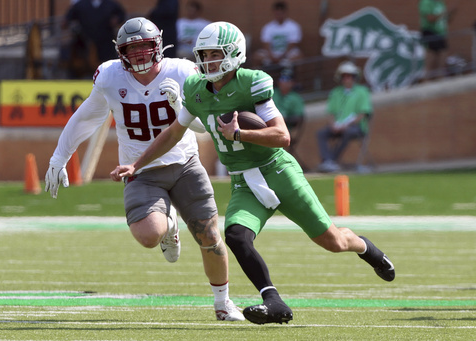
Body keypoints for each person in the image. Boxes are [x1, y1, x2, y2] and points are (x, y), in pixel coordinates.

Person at [111, 21, 395, 325]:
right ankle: (273, 301)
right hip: (243, 180)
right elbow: (173, 132)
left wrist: (239, 135)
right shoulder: (195, 88)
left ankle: (368, 250)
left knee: (334, 241)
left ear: (233, 54)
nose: (207, 62)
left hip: (278, 172)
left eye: (214, 55)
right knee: (235, 235)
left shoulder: (253, 82)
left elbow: (282, 136)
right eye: (203, 55)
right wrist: (136, 164)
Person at [45, 17, 244, 322]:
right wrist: (59, 157)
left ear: (157, 46)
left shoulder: (183, 72)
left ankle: (223, 303)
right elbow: (87, 117)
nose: (138, 55)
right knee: (149, 235)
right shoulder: (110, 76)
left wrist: (182, 108)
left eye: (143, 47)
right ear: (120, 51)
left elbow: (207, 130)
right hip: (140, 170)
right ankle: (168, 224)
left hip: (185, 164)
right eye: (131, 49)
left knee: (209, 235)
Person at [316, 61, 372, 173]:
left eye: (349, 76)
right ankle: (328, 161)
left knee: (347, 132)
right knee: (321, 133)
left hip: (355, 127)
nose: (347, 79)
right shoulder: (335, 92)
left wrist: (346, 125)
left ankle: (331, 160)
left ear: (354, 77)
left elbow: (363, 113)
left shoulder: (362, 91)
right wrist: (333, 125)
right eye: (344, 76)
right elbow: (330, 113)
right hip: (337, 126)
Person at [61, 0, 126, 79]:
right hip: (84, 41)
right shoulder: (81, 4)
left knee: (107, 64)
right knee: (80, 63)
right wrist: (66, 22)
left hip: (106, 40)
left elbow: (121, 15)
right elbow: (69, 16)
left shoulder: (111, 4)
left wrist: (117, 19)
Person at [253, 1, 303, 69]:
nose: (279, 15)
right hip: (272, 53)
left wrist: (282, 56)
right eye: (277, 13)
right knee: (257, 56)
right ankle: (258, 77)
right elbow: (265, 43)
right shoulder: (268, 27)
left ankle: (291, 76)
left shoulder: (293, 26)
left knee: (298, 56)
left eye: (281, 13)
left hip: (287, 54)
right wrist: (271, 56)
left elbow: (293, 44)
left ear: (285, 12)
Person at [418, 0, 457, 80]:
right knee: (431, 59)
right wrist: (444, 12)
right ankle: (426, 82)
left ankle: (440, 79)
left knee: (442, 57)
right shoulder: (426, 2)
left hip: (440, 33)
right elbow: (430, 18)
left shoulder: (440, 3)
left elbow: (445, 20)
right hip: (430, 32)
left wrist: (451, 12)